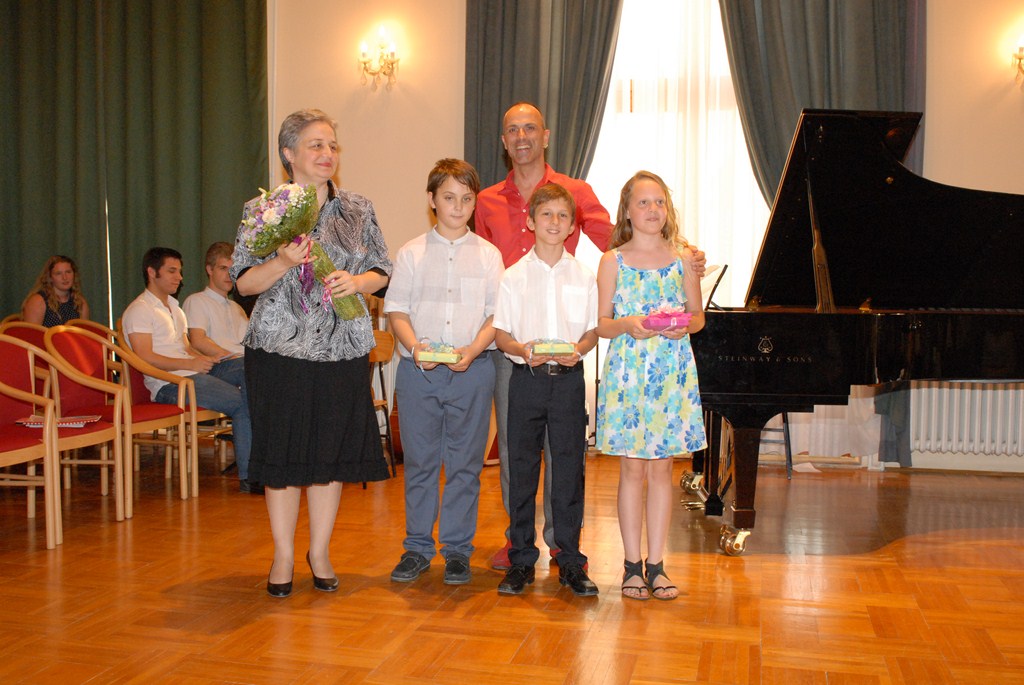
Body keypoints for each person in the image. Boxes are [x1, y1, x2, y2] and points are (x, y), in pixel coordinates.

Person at [233, 108, 391, 599]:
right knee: (282, 456)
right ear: (289, 153)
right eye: (316, 145)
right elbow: (243, 284)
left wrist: (358, 281)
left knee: (329, 456)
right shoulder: (264, 212)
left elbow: (383, 269)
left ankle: (319, 551)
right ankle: (282, 554)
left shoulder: (357, 209)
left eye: (332, 145)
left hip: (341, 349)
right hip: (278, 351)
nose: (327, 154)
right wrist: (281, 259)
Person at [474, 102, 614, 570]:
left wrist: (673, 252)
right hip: (508, 339)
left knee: (565, 449)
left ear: (546, 135)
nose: (521, 137)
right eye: (511, 129)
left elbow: (615, 240)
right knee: (515, 447)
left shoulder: (574, 192)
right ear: (503, 140)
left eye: (529, 128)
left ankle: (560, 541)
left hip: (565, 349)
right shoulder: (487, 199)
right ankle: (518, 542)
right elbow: (476, 260)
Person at [383, 158, 503, 586]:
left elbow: (495, 315)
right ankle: (416, 548)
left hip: (474, 370)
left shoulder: (489, 256)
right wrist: (416, 348)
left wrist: (472, 349)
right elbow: (396, 309)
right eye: (449, 198)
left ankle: (456, 551)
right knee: (420, 463)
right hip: (420, 373)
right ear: (432, 200)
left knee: (465, 465)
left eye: (467, 199)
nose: (458, 206)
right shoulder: (411, 252)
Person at [595, 171, 707, 601]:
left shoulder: (683, 258)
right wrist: (627, 324)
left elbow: (697, 316)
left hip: (671, 371)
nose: (652, 210)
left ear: (668, 209)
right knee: (632, 469)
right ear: (627, 210)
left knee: (662, 469)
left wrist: (684, 326)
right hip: (628, 374)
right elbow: (602, 324)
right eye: (643, 203)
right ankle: (630, 565)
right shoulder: (612, 261)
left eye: (659, 202)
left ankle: (657, 565)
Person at [492, 183, 599, 597]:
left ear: (572, 225)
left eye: (562, 216)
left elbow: (590, 332)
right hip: (527, 381)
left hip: (569, 381)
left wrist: (580, 350)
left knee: (570, 470)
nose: (554, 222)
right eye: (546, 215)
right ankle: (520, 559)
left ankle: (570, 559)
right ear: (531, 221)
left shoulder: (584, 276)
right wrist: (521, 350)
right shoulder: (513, 276)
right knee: (520, 470)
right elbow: (502, 334)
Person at [122, 247, 254, 493]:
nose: (179, 278)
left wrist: (209, 357)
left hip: (192, 373)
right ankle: (250, 475)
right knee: (241, 402)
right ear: (152, 272)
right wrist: (189, 363)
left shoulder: (175, 308)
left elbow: (185, 348)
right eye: (172, 271)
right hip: (170, 384)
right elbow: (144, 357)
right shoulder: (140, 309)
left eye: (179, 272)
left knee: (250, 368)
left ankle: (263, 460)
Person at [183, 242, 249, 358]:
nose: (229, 275)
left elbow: (250, 343)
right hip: (220, 363)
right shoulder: (196, 301)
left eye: (232, 269)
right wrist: (231, 357)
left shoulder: (236, 307)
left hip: (242, 362)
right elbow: (198, 341)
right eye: (223, 268)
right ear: (210, 270)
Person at [21, 255, 90, 326]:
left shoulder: (80, 302)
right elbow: (31, 335)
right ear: (50, 277)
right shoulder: (38, 301)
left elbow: (83, 334)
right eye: (58, 273)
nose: (65, 277)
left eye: (68, 272)